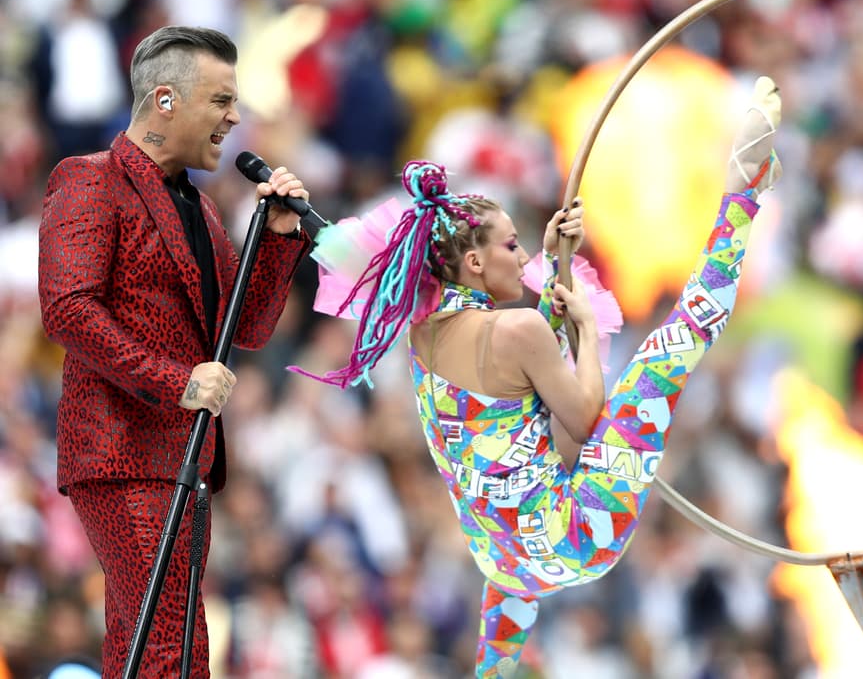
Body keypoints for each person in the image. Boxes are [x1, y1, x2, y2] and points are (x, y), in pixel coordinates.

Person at [298, 76, 784, 678]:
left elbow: (517, 385)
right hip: (580, 535)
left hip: (504, 562)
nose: (521, 253)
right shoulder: (518, 331)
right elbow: (581, 419)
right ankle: (743, 195)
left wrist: (554, 267)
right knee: (672, 346)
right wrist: (582, 326)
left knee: (501, 635)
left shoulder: (420, 337)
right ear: (475, 262)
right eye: (513, 245)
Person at [37, 26, 313, 678]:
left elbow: (242, 329)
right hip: (120, 448)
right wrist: (175, 380)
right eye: (220, 100)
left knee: (181, 643)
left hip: (183, 456)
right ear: (165, 100)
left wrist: (273, 239)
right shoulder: (88, 180)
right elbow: (67, 309)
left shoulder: (201, 208)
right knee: (161, 638)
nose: (234, 118)